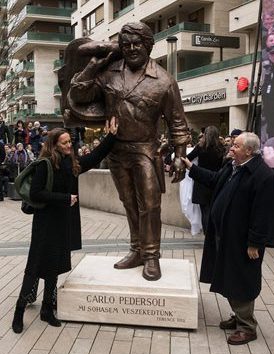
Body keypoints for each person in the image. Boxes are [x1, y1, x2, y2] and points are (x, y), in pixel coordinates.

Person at [69, 22, 191, 280]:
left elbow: (178, 122)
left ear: (148, 45)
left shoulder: (165, 81)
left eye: (137, 44)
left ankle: (151, 256)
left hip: (146, 150)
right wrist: (94, 64)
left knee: (150, 204)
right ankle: (136, 249)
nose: (132, 49)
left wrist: (180, 155)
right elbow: (79, 95)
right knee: (129, 203)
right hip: (116, 150)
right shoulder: (109, 72)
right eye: (126, 45)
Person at [11, 119, 118, 333]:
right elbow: (36, 193)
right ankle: (19, 312)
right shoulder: (45, 164)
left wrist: (111, 136)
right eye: (64, 143)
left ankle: (47, 310)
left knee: (54, 266)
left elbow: (95, 156)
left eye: (70, 142)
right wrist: (64, 198)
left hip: (62, 222)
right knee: (35, 266)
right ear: (53, 145)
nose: (69, 145)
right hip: (45, 222)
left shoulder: (73, 163)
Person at [181, 132, 274, 345]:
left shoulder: (264, 177)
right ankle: (239, 316)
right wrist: (191, 167)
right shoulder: (232, 167)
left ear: (249, 151)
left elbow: (263, 215)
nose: (231, 148)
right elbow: (214, 180)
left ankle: (247, 327)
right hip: (224, 236)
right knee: (229, 277)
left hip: (243, 242)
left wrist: (255, 244)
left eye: (235, 146)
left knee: (241, 280)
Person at [185, 126, 226, 233]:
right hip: (216, 180)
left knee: (205, 211)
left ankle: (207, 235)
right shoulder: (221, 147)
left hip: (201, 181)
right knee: (214, 209)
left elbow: (187, 158)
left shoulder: (201, 147)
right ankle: (215, 233)